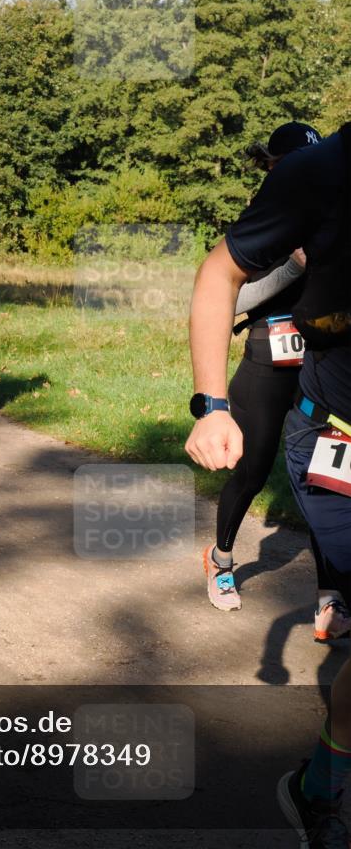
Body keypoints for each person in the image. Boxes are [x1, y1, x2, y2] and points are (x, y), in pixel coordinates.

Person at [185, 124, 351, 848]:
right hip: (309, 403)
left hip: (310, 362)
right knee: (248, 471)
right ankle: (222, 555)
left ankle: (318, 789)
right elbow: (230, 279)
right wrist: (211, 405)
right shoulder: (310, 179)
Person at [204, 123, 349, 639]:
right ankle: (221, 559)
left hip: (321, 373)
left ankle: (330, 595)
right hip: (268, 364)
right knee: (252, 468)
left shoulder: (332, 211)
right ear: (272, 166)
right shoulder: (268, 217)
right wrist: (292, 264)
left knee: (328, 481)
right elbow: (232, 297)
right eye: (285, 164)